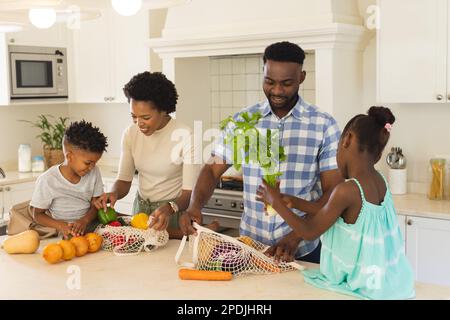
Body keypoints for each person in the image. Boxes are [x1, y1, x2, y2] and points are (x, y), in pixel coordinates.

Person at [180, 41, 343, 263]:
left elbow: (332, 193)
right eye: (269, 81)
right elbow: (211, 170)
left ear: (302, 77)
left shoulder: (324, 125)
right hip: (251, 247)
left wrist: (297, 236)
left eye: (286, 83)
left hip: (303, 251)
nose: (276, 91)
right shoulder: (243, 121)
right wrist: (194, 206)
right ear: (263, 74)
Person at [256, 106, 415, 299]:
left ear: (347, 140)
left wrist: (275, 202)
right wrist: (294, 202)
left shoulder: (347, 190)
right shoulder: (380, 181)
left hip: (361, 289)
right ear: (379, 154)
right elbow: (329, 211)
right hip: (383, 281)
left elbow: (310, 231)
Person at [93, 71, 215, 239]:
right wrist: (113, 193)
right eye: (133, 116)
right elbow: (123, 180)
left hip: (172, 215)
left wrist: (169, 208)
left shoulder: (186, 136)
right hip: (140, 213)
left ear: (163, 110)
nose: (139, 123)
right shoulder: (130, 134)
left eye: (145, 117)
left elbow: (189, 193)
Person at [30, 120, 108, 239]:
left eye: (95, 162)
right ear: (69, 156)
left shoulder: (94, 172)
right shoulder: (48, 180)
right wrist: (61, 226)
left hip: (92, 232)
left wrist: (85, 220)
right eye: (88, 163)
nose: (92, 167)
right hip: (64, 234)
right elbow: (38, 215)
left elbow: (96, 205)